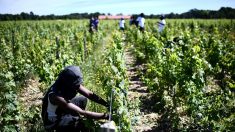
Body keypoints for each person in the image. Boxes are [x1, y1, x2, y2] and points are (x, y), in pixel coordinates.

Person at [41, 66, 109, 131]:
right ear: (69, 82)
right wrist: (105, 116)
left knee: (83, 99)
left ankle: (74, 122)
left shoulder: (67, 82)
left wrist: (107, 104)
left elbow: (89, 94)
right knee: (80, 121)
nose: (78, 86)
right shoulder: (55, 95)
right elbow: (81, 113)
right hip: (53, 122)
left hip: (61, 110)